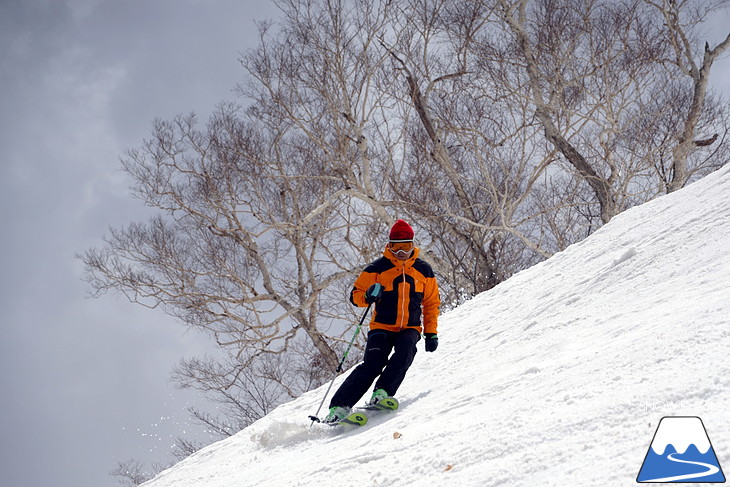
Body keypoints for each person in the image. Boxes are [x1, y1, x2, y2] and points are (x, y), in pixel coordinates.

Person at [324, 219, 441, 423]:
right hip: (382, 327)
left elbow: (431, 303)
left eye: (406, 246)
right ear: (390, 246)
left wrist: (431, 332)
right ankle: (339, 407)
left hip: (409, 327)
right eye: (397, 247)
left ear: (413, 245)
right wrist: (368, 296)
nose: (401, 252)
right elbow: (355, 296)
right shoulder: (377, 269)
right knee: (372, 364)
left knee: (406, 351)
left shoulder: (424, 271)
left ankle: (382, 393)